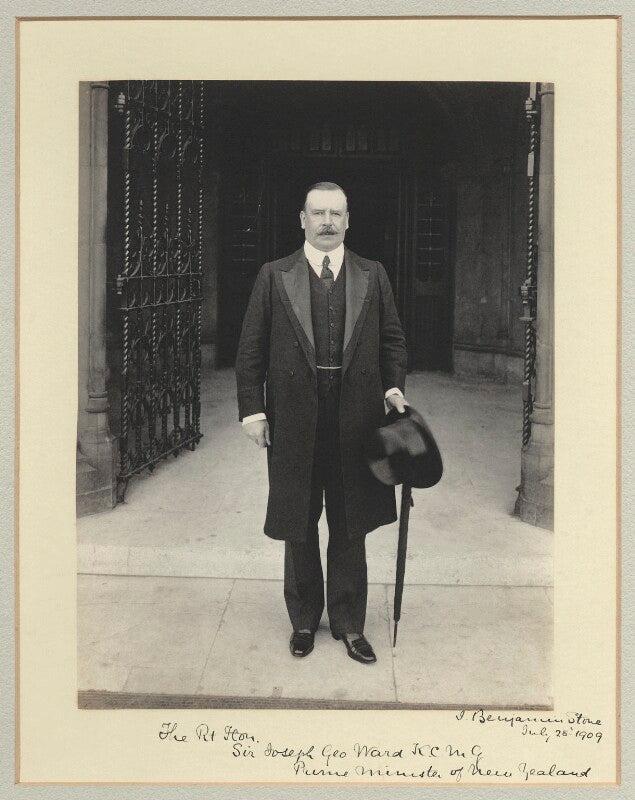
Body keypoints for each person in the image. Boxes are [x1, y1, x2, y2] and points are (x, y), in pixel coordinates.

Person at [235, 181, 408, 664]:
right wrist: (253, 410)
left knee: (351, 522)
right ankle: (304, 620)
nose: (327, 222)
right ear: (303, 219)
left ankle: (350, 623)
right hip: (294, 420)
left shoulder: (373, 274)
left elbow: (392, 341)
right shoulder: (274, 276)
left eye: (336, 213)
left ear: (348, 220)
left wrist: (393, 389)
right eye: (318, 213)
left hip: (357, 421)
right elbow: (251, 349)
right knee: (299, 520)